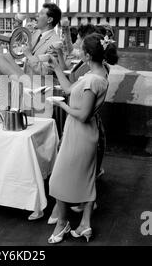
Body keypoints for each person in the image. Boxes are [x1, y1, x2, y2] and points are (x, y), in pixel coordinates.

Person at [47, 33, 113, 244]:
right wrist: (57, 66)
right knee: (86, 179)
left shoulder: (92, 79)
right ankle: (84, 224)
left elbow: (83, 114)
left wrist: (63, 106)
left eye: (79, 49)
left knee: (58, 178)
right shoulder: (100, 72)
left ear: (86, 55)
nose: (77, 51)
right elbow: (69, 89)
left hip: (80, 132)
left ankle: (63, 222)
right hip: (86, 133)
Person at [23, 3, 62, 76]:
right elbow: (20, 42)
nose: (36, 16)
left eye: (40, 14)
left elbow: (46, 71)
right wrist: (25, 29)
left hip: (40, 85)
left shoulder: (56, 42)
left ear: (49, 20)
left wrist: (29, 56)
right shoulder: (36, 33)